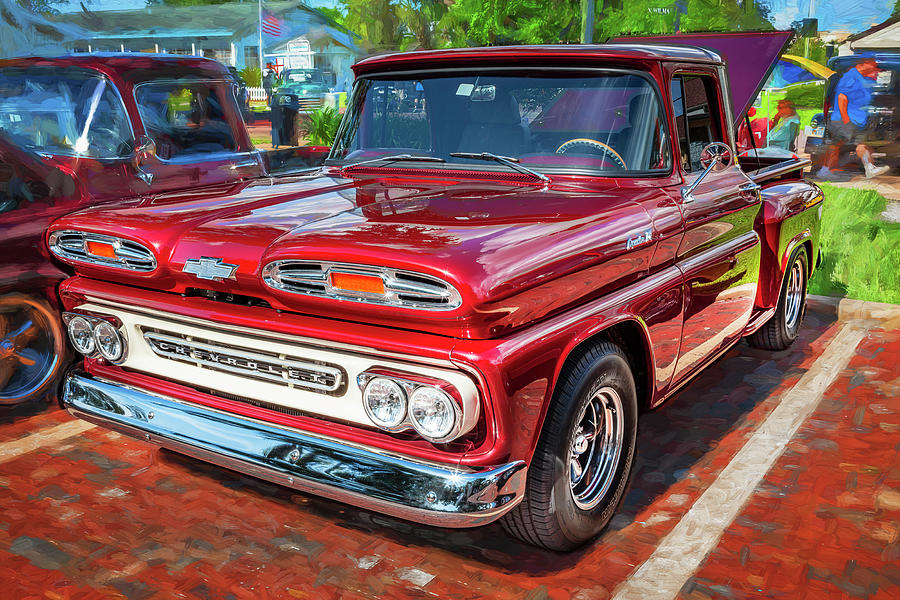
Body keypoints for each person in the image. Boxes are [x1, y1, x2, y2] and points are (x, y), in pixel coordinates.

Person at [818, 57, 890, 179]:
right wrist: (846, 119)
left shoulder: (861, 78)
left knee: (842, 145)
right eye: (873, 65)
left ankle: (825, 170)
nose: (875, 68)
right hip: (846, 119)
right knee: (854, 144)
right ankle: (868, 168)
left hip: (854, 119)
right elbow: (842, 97)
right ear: (863, 64)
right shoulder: (851, 76)